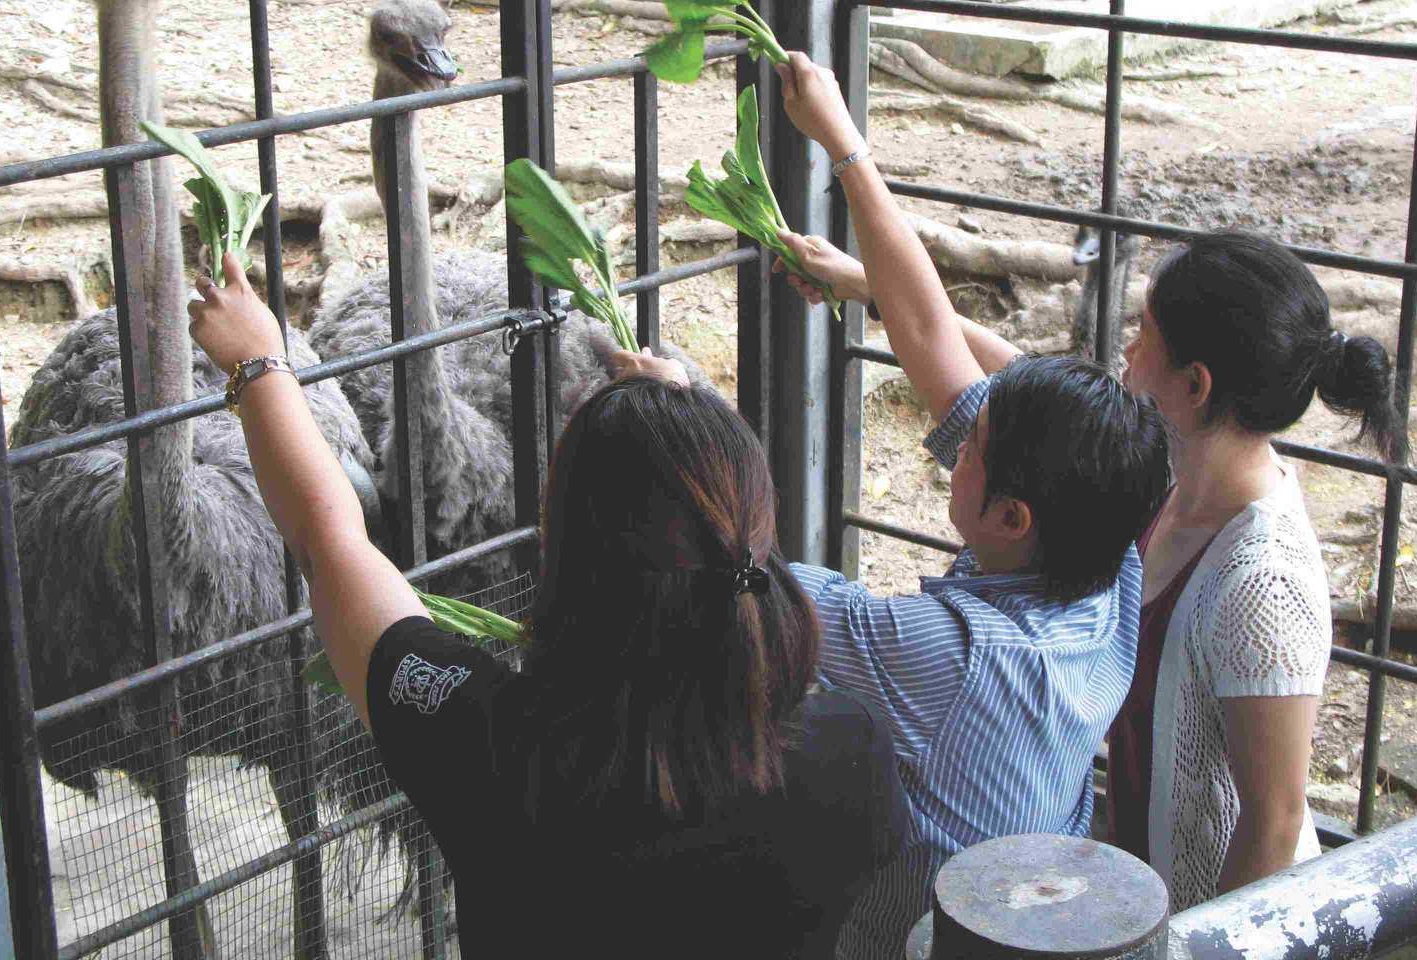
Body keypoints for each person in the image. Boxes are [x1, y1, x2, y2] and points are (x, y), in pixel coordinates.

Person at [187, 258, 914, 959]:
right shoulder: (855, 753)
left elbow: (330, 542)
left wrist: (259, 367)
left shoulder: (489, 746)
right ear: (754, 527)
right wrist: (687, 429)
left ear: (566, 544)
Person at [766, 52, 1171, 960]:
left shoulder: (947, 652)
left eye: (973, 448)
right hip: (1043, 895)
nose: (957, 435)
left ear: (1013, 516)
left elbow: (754, 582)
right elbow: (931, 337)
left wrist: (686, 421)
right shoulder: (1111, 560)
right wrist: (843, 148)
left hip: (933, 932)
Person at [1105, 230, 1396, 910]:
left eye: (1144, 332)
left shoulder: (1263, 583)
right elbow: (1016, 386)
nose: (1127, 348)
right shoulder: (1174, 482)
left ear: (1195, 384)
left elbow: (1275, 823)